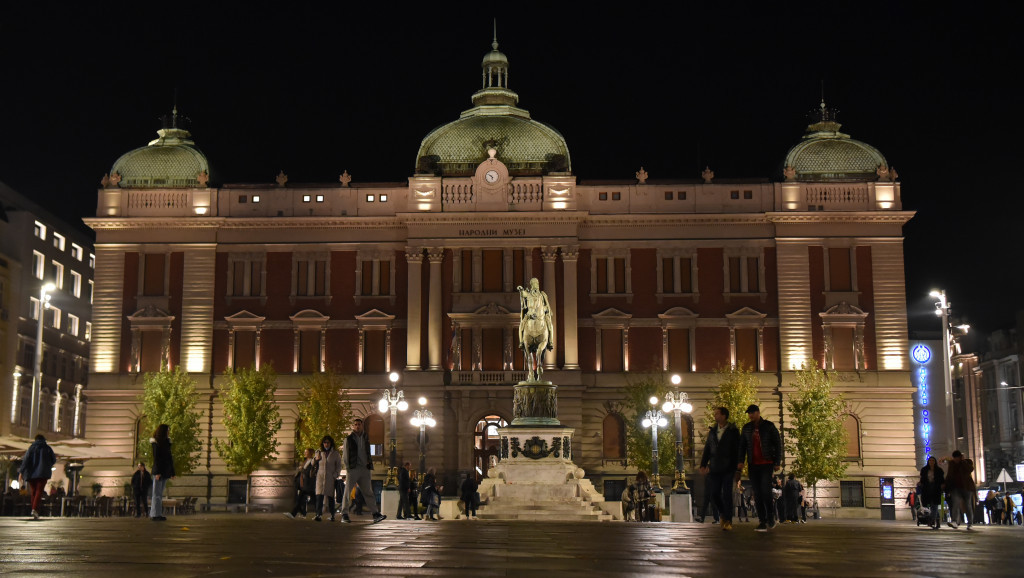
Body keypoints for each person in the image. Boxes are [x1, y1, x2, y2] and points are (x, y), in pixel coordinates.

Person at [736, 404, 782, 532]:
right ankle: (762, 520)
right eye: (749, 413)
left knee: (766, 492)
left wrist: (777, 461)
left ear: (758, 413)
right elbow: (742, 447)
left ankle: (771, 517)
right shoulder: (746, 429)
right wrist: (740, 462)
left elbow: (777, 444)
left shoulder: (768, 426)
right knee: (757, 493)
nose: (750, 415)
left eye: (752, 413)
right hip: (753, 464)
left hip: (766, 464)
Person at [699, 406, 740, 531]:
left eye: (717, 414)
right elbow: (707, 449)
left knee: (727, 494)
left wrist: (738, 468)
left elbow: (737, 450)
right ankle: (723, 514)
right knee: (714, 494)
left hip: (728, 468)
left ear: (724, 416)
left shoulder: (733, 431)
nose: (715, 416)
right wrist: (703, 464)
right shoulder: (713, 431)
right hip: (715, 468)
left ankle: (728, 520)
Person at [340, 419, 386, 523]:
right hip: (353, 468)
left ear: (362, 426)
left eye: (359, 425)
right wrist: (348, 468)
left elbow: (367, 452)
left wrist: (369, 464)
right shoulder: (349, 439)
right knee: (347, 492)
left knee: (368, 492)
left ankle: (375, 514)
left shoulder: (366, 437)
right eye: (355, 425)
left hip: (365, 469)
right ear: (353, 426)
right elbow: (345, 454)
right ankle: (344, 514)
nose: (357, 426)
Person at [18, 434, 57, 520]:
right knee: (39, 491)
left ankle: (34, 509)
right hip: (43, 473)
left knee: (34, 491)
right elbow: (53, 460)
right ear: (44, 439)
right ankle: (34, 509)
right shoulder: (47, 448)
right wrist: (47, 464)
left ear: (35, 440)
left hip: (31, 474)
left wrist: (21, 472)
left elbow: (26, 460)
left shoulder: (31, 448)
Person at [942, 450, 975, 530]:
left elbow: (970, 469)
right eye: (955, 458)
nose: (956, 459)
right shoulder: (952, 464)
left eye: (957, 457)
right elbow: (949, 475)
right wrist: (945, 484)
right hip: (955, 487)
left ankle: (970, 523)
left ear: (960, 457)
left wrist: (963, 461)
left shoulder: (966, 462)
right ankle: (954, 521)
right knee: (955, 504)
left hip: (966, 487)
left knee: (968, 505)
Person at [150, 424, 175, 522]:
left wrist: (172, 472)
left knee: (159, 494)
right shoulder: (156, 442)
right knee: (156, 494)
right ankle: (155, 514)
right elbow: (156, 458)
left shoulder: (167, 442)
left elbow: (169, 458)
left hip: (165, 471)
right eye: (168, 430)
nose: (169, 432)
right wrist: (157, 472)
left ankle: (157, 513)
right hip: (160, 471)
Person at [314, 436, 342, 521]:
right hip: (320, 478)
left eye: (328, 442)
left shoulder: (335, 454)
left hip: (330, 478)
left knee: (330, 497)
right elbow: (312, 463)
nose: (326, 444)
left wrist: (335, 475)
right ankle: (318, 515)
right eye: (325, 442)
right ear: (323, 443)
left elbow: (339, 466)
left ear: (331, 443)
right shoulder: (319, 452)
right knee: (319, 497)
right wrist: (316, 459)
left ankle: (332, 515)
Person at [285, 448, 317, 519]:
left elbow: (309, 472)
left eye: (306, 452)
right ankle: (317, 513)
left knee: (302, 499)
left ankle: (293, 514)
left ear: (310, 453)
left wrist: (302, 469)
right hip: (305, 483)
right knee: (312, 499)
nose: (304, 453)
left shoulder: (312, 461)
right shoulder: (306, 461)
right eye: (305, 452)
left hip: (309, 483)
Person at [919, 456, 945, 529]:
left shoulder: (939, 470)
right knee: (932, 505)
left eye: (933, 460)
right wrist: (920, 483)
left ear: (935, 462)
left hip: (936, 488)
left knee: (934, 504)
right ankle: (937, 522)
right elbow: (922, 479)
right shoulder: (924, 470)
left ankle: (932, 520)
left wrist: (942, 486)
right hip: (927, 489)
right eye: (930, 460)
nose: (931, 462)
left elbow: (942, 480)